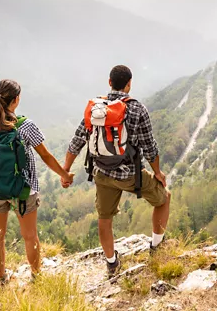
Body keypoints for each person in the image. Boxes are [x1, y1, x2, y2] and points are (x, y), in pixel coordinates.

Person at [63, 65, 171, 277]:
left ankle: (112, 263)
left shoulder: (96, 108)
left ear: (109, 82)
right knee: (164, 199)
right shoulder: (138, 109)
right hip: (130, 175)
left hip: (101, 173)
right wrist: (157, 172)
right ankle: (157, 247)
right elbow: (150, 147)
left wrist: (65, 170)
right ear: (129, 84)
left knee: (105, 217)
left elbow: (77, 141)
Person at [0, 79, 74, 284]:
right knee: (29, 235)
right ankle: (36, 276)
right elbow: (45, 156)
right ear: (16, 100)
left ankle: (1, 278)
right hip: (23, 190)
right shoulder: (25, 126)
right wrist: (64, 174)